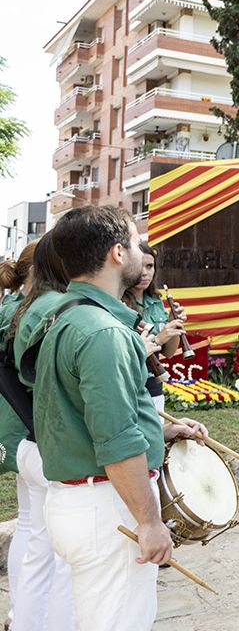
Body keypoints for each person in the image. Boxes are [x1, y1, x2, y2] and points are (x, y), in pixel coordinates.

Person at [15, 206, 208, 631]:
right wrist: (149, 522)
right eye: (137, 244)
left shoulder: (65, 316)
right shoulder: (103, 332)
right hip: (106, 506)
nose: (142, 254)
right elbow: (116, 440)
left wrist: (164, 428)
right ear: (118, 253)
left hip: (80, 503)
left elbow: (83, 412)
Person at [1, 239, 76, 631]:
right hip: (42, 436)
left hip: (25, 434)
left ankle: (21, 616)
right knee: (59, 549)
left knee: (32, 532)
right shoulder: (50, 309)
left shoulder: (19, 307)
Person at [123, 243, 186, 412]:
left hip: (155, 382)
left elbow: (168, 353)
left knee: (156, 434)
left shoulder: (156, 301)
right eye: (139, 266)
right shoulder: (118, 302)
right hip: (130, 386)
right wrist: (159, 338)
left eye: (150, 266)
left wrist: (174, 324)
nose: (144, 272)